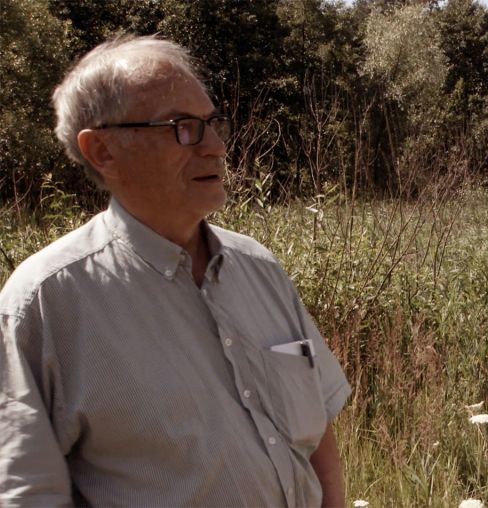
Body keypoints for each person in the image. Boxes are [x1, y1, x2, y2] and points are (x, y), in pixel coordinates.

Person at [0, 35, 351, 507]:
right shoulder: (45, 303)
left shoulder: (259, 267)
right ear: (102, 150)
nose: (216, 147)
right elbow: (28, 494)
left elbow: (317, 440)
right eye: (183, 128)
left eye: (212, 123)